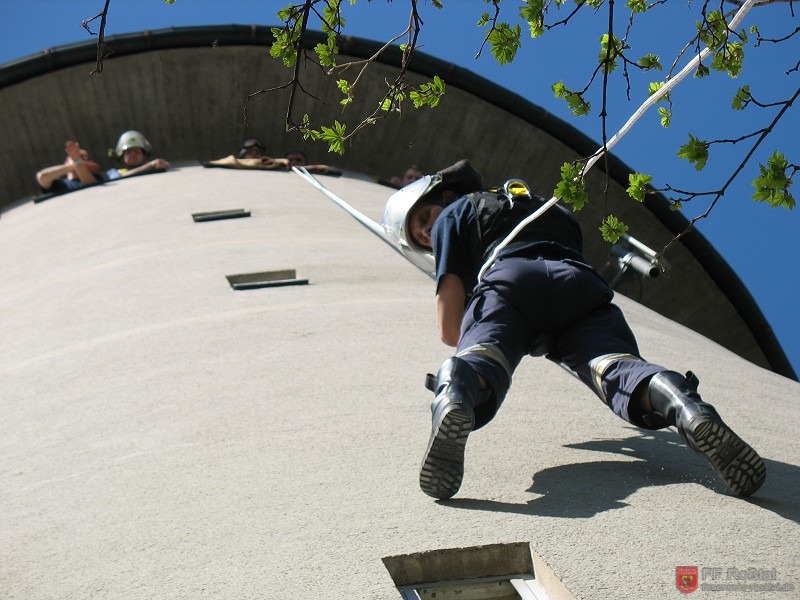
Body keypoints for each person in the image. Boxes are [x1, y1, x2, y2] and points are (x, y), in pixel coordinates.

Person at [382, 160, 766, 501]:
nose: (428, 232)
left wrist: (465, 321)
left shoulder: (457, 212)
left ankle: (454, 397)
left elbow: (450, 325)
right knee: (619, 369)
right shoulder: (544, 207)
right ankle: (687, 406)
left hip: (509, 280)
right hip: (580, 284)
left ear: (442, 194)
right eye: (421, 237)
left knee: (482, 359)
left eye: (423, 220)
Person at [36, 139, 104, 193]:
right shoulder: (60, 183)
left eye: (85, 158)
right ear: (66, 163)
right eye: (81, 157)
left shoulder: (96, 177)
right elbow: (42, 177)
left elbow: (91, 186)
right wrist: (75, 163)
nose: (82, 160)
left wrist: (77, 161)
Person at [106, 130, 171, 180]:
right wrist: (150, 165)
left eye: (137, 152)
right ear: (122, 157)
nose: (133, 154)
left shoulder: (153, 168)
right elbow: (119, 178)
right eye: (128, 152)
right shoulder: (113, 172)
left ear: (144, 156)